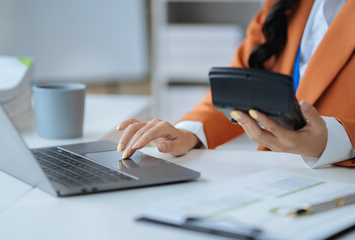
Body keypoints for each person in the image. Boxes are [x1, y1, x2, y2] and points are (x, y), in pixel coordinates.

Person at [108, 0, 355, 168]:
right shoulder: (288, 4)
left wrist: (337, 140)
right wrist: (189, 133)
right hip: (277, 179)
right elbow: (243, 77)